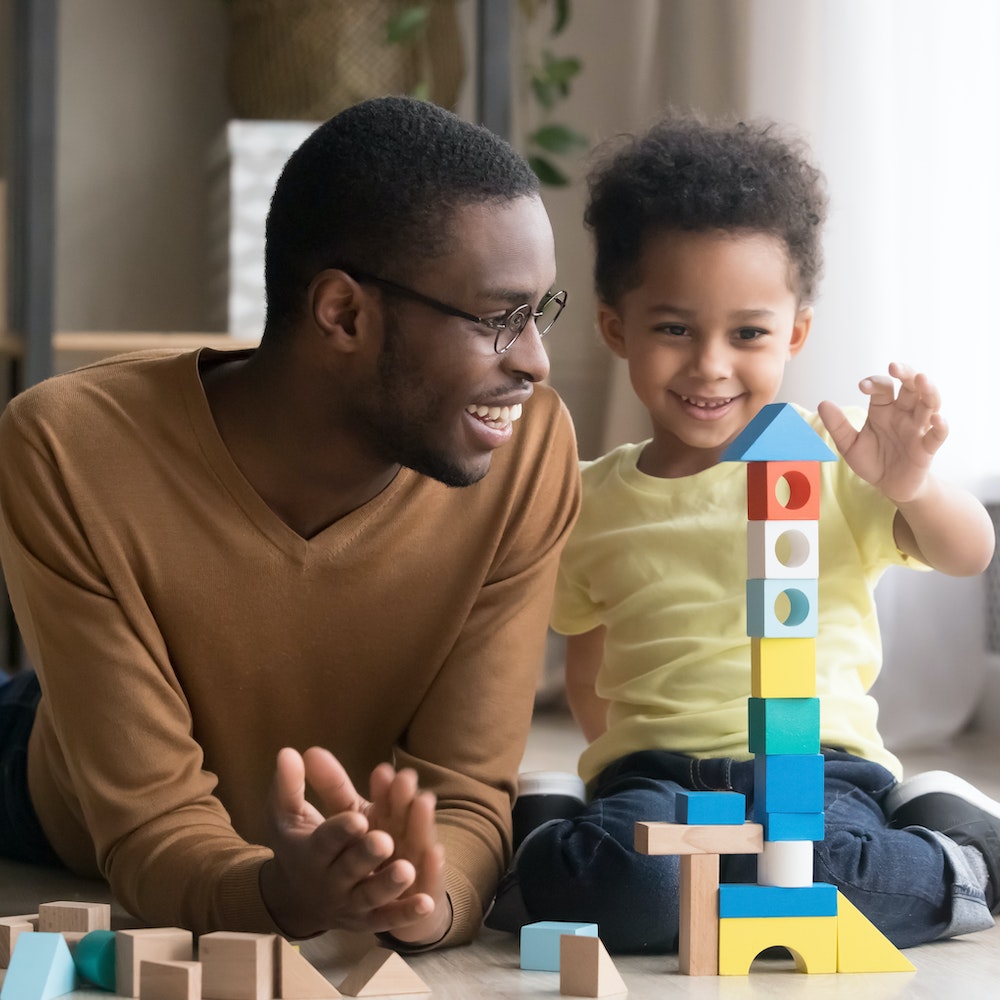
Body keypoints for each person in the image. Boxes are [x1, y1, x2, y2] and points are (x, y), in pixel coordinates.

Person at [0, 95, 581, 950]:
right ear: (343, 313)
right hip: (53, 783)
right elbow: (148, 828)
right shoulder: (71, 446)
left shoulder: (525, 453)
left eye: (540, 312)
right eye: (500, 318)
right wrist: (279, 895)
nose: (534, 360)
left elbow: (465, 794)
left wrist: (426, 899)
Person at [485, 111, 999, 954]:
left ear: (795, 332)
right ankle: (553, 820)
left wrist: (911, 484)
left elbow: (969, 551)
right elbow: (589, 657)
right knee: (629, 894)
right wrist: (613, 766)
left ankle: (951, 837)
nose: (711, 364)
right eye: (675, 328)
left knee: (840, 879)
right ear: (617, 328)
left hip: (824, 772)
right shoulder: (589, 498)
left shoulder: (839, 462)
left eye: (749, 333)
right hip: (658, 774)